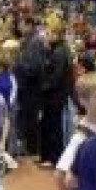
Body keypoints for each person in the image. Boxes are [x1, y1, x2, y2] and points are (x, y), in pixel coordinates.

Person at [37, 21, 74, 168]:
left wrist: (42, 88)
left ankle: (54, 157)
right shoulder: (56, 49)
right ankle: (47, 156)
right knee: (48, 125)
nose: (46, 36)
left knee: (53, 126)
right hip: (52, 95)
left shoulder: (60, 52)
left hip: (55, 96)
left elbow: (55, 77)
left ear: (57, 34)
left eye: (49, 33)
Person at [13, 17, 44, 159]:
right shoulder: (28, 41)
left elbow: (34, 68)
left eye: (22, 24)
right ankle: (29, 148)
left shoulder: (34, 42)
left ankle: (33, 150)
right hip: (26, 86)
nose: (20, 27)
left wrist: (18, 64)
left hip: (31, 88)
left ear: (29, 25)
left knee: (30, 119)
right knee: (26, 118)